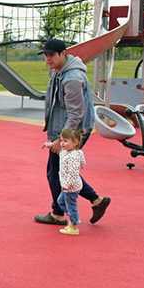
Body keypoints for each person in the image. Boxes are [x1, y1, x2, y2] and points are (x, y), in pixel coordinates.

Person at [35, 38, 110, 226]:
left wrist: (61, 140)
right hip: (64, 129)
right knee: (64, 171)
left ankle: (59, 213)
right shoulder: (58, 72)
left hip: (74, 131)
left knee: (57, 172)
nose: (48, 59)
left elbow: (76, 113)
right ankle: (96, 201)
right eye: (45, 55)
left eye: (51, 55)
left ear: (63, 54)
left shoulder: (72, 78)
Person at [48, 128, 85, 236]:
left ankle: (74, 226)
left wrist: (67, 186)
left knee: (70, 205)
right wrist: (47, 144)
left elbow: (73, 174)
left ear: (75, 143)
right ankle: (74, 218)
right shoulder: (66, 151)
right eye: (61, 140)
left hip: (71, 187)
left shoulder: (73, 156)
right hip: (68, 186)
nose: (62, 143)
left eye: (65, 141)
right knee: (61, 202)